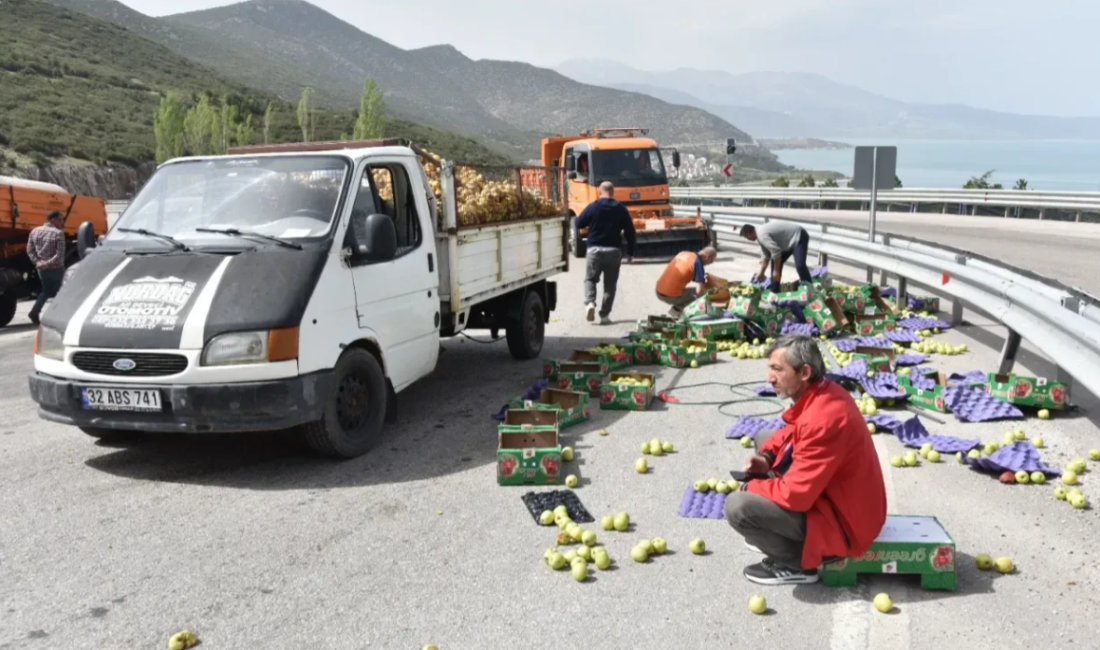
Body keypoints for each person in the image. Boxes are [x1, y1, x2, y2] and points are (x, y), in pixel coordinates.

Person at [723, 335, 887, 585]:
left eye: (777, 369)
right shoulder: (825, 391)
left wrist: (750, 487)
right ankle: (773, 533)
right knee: (765, 438)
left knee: (738, 507)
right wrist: (767, 458)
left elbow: (796, 496)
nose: (770, 378)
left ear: (804, 372)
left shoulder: (823, 420)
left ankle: (796, 563)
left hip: (846, 525)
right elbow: (791, 430)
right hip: (845, 502)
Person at [575, 181, 637, 325]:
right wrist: (631, 252)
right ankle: (604, 316)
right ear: (613, 192)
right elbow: (630, 232)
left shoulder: (593, 207)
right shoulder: (621, 209)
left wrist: (591, 223)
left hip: (594, 250)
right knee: (610, 285)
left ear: (599, 192)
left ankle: (590, 303)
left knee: (590, 279)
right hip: (613, 251)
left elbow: (578, 223)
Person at [739, 222, 812, 292]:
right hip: (787, 242)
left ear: (749, 233)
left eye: (746, 236)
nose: (747, 239)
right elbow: (766, 256)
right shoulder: (760, 235)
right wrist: (761, 273)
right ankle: (774, 291)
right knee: (775, 263)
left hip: (798, 236)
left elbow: (775, 251)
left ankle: (809, 288)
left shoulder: (761, 235)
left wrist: (776, 271)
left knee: (800, 265)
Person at [26, 211, 67, 326]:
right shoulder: (58, 233)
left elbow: (30, 250)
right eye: (60, 220)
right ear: (53, 220)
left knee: (46, 291)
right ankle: (59, 316)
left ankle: (35, 312)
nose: (61, 222)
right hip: (56, 268)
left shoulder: (35, 231)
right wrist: (48, 263)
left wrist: (38, 262)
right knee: (61, 291)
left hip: (41, 269)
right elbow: (59, 255)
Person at [654, 246, 717, 317]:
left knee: (694, 291)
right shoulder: (698, 263)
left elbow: (685, 272)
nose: (709, 264)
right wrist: (708, 305)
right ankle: (677, 315)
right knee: (697, 297)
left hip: (658, 290)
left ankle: (676, 310)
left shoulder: (683, 253)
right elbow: (699, 292)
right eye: (711, 261)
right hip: (669, 295)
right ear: (707, 257)